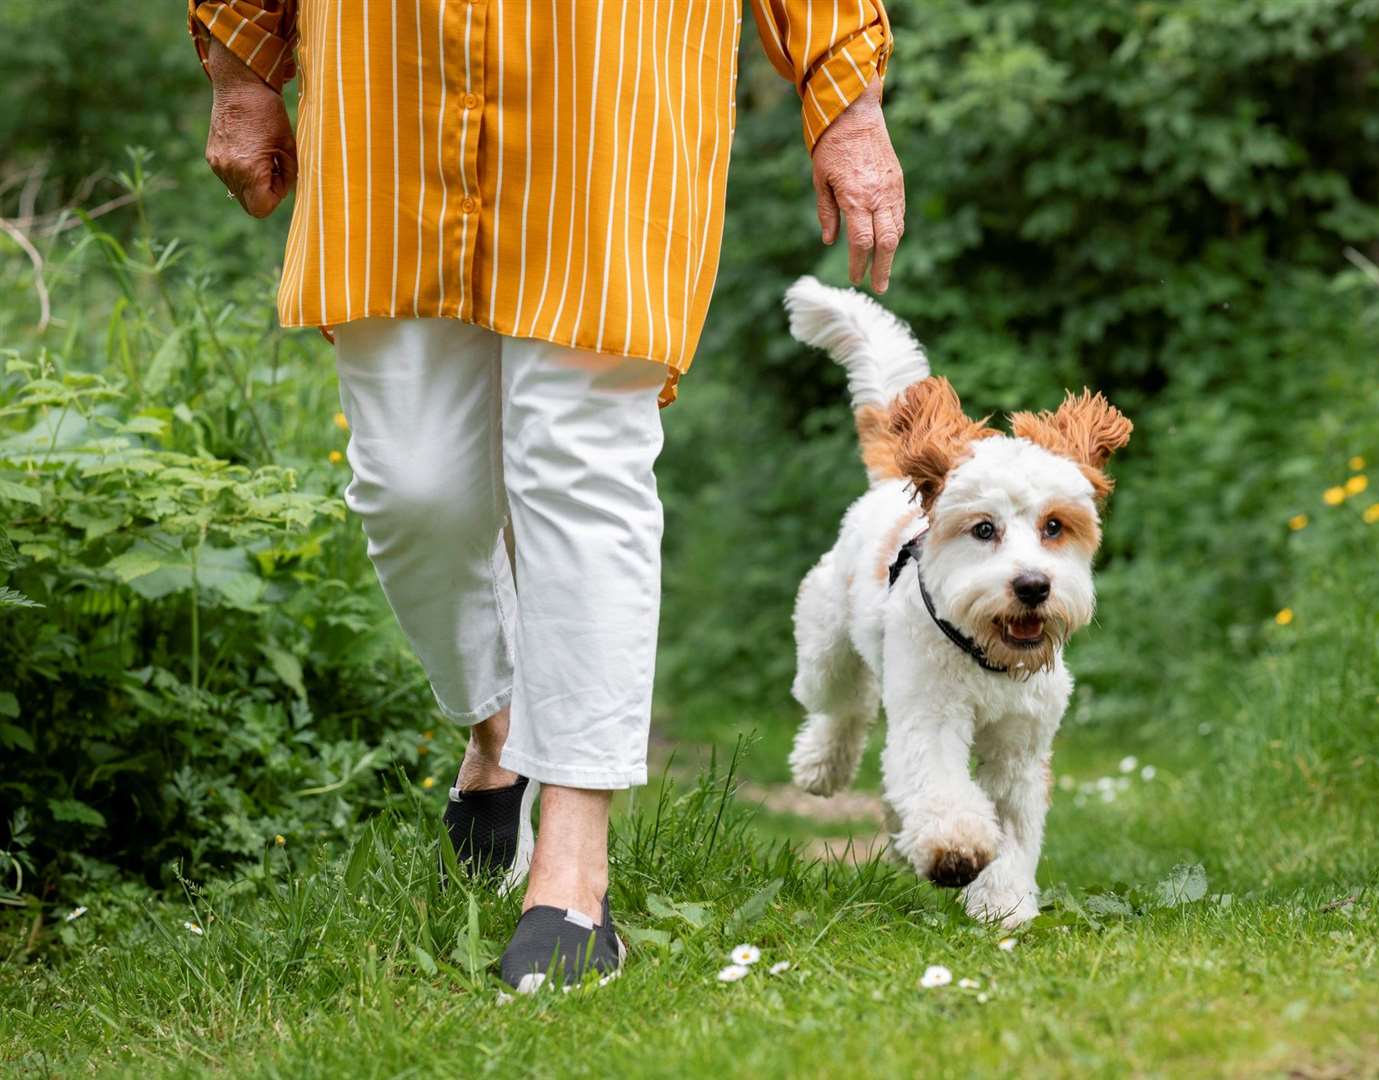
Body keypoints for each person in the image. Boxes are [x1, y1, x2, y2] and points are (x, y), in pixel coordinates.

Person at [189, 0, 904, 990]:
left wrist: (845, 101)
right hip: (389, 95)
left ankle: (571, 880)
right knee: (411, 486)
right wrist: (241, 73)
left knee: (583, 461)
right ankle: (499, 728)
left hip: (613, 85)